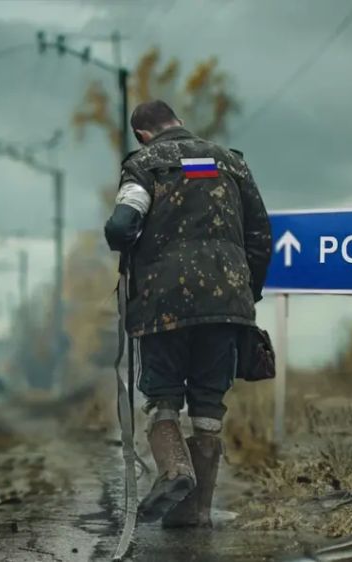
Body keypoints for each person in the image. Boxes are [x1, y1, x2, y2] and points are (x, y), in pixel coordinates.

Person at [104, 100, 272, 528]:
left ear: (142, 134)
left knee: (163, 394)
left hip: (164, 304)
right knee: (208, 403)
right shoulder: (231, 163)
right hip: (227, 303)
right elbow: (260, 235)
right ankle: (194, 512)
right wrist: (245, 294)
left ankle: (176, 471)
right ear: (178, 122)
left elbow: (122, 225)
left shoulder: (145, 164)